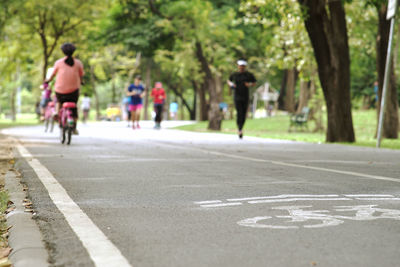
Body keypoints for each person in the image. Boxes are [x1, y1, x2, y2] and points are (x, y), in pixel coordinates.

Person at [45, 43, 84, 134]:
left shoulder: (58, 63)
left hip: (60, 90)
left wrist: (47, 80)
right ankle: (74, 126)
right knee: (74, 105)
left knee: (59, 101)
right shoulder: (78, 63)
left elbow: (52, 75)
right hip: (73, 91)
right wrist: (81, 82)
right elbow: (81, 76)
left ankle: (57, 112)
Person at [227, 59, 256, 139]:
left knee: (243, 114)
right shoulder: (235, 75)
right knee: (239, 112)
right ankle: (239, 129)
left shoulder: (248, 75)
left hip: (245, 96)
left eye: (243, 66)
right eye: (240, 66)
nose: (241, 67)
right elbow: (229, 80)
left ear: (245, 67)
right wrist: (231, 84)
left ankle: (241, 127)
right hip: (237, 96)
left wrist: (249, 84)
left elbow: (254, 82)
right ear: (238, 66)